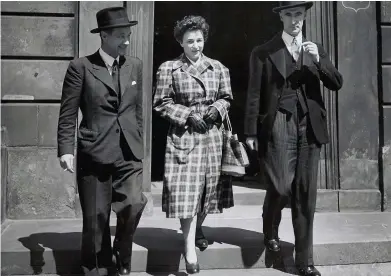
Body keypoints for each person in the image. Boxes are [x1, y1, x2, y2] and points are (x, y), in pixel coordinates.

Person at [244, 2, 343, 276]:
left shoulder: (314, 49)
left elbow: (336, 82)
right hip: (279, 122)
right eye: (289, 14)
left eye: (298, 14)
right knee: (282, 185)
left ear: (305, 16)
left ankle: (305, 262)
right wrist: (250, 132)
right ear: (281, 17)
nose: (294, 20)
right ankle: (270, 225)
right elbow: (254, 94)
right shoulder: (264, 52)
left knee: (305, 193)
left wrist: (320, 61)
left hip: (309, 125)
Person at [57, 7, 147, 276]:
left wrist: (139, 138)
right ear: (104, 36)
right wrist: (66, 150)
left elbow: (137, 110)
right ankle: (96, 268)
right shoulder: (81, 68)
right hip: (94, 152)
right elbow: (68, 112)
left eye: (128, 35)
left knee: (133, 203)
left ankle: (122, 252)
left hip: (128, 152)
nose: (127, 41)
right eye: (121, 35)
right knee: (95, 221)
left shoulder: (135, 65)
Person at [153, 15, 234, 274]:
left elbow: (227, 97)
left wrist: (216, 110)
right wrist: (188, 115)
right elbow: (161, 103)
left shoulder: (218, 67)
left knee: (209, 192)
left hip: (212, 138)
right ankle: (188, 247)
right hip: (184, 138)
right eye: (190, 41)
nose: (195, 46)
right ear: (180, 42)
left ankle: (198, 228)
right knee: (186, 193)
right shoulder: (169, 68)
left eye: (199, 40)